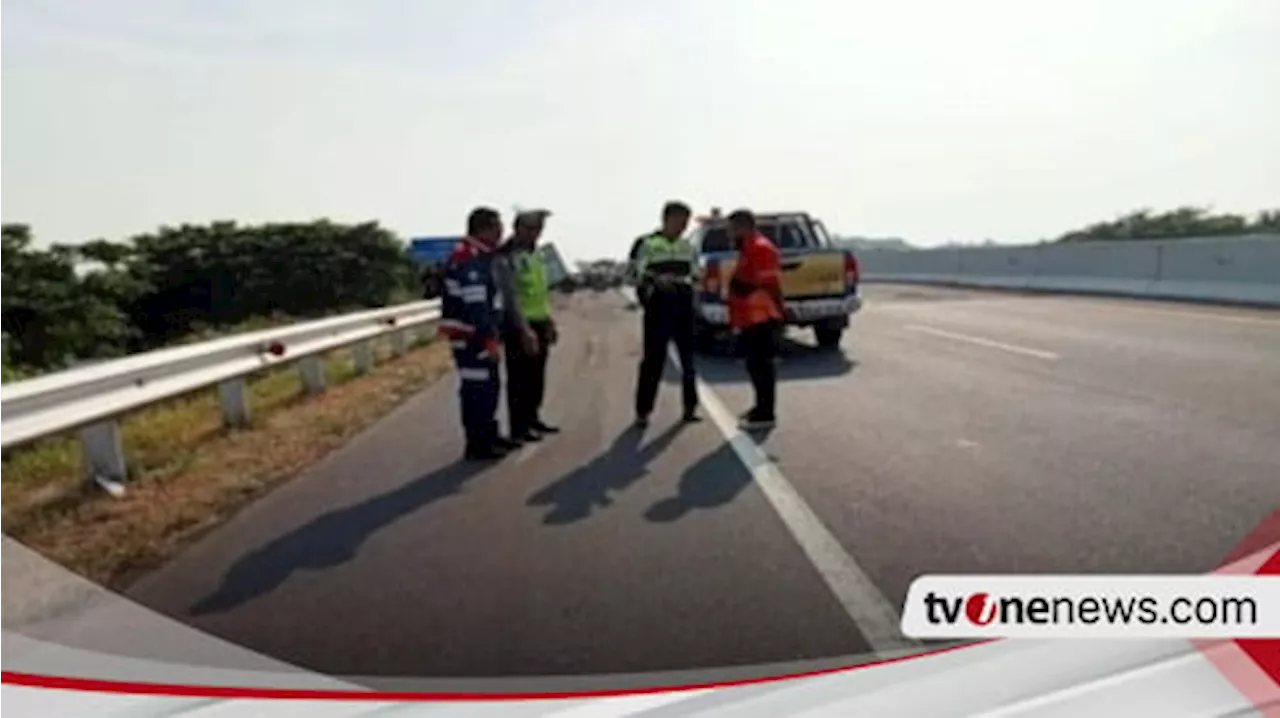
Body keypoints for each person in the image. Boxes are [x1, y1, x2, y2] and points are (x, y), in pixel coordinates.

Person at [439, 207, 520, 461]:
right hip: (471, 337)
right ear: (484, 229)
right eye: (497, 227)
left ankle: (489, 435)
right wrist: (489, 339)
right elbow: (477, 306)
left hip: (477, 334)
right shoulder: (469, 258)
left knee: (489, 386)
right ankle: (478, 443)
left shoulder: (481, 256)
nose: (501, 233)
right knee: (478, 389)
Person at [632, 201, 701, 427]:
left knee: (688, 361)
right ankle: (643, 411)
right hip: (659, 307)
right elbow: (633, 273)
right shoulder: (647, 243)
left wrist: (694, 283)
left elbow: (696, 273)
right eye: (680, 221)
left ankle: (690, 408)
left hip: (684, 305)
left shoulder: (687, 246)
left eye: (686, 223)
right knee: (653, 361)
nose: (683, 227)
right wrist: (652, 287)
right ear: (666, 219)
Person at [497, 209, 561, 442]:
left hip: (539, 320)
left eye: (539, 229)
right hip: (518, 324)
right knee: (519, 379)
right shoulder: (507, 255)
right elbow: (510, 295)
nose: (536, 233)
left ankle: (533, 418)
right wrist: (524, 330)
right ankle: (519, 428)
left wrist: (549, 320)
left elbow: (540, 291)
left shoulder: (537, 254)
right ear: (518, 228)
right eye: (531, 228)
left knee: (537, 377)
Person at [725, 209, 785, 429]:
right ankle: (760, 407)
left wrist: (780, 314)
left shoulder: (760, 248)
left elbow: (769, 283)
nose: (728, 234)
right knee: (754, 364)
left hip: (761, 316)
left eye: (730, 229)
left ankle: (766, 414)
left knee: (762, 366)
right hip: (750, 317)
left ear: (743, 227)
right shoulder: (747, 248)